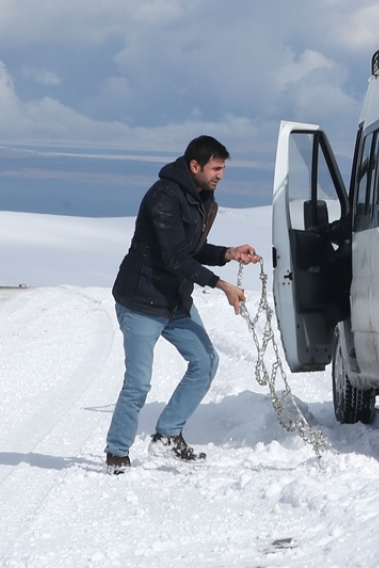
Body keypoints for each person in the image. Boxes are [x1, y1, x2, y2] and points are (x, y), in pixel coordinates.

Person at [104, 135, 261, 474]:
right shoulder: (163, 197)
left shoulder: (201, 198)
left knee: (205, 362)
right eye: (216, 168)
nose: (220, 175)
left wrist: (228, 253)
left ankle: (167, 434)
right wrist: (221, 285)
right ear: (195, 166)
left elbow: (192, 247)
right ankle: (117, 453)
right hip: (141, 300)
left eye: (222, 169)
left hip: (174, 300)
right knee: (139, 382)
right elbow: (175, 256)